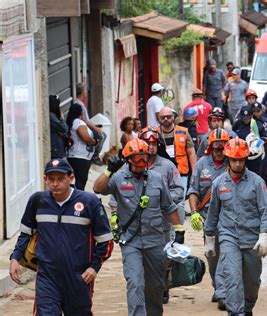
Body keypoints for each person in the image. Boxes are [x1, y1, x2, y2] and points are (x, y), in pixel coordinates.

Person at [10, 158, 113, 314]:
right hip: (47, 276)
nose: (55, 184)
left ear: (70, 178)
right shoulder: (38, 201)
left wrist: (94, 267)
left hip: (79, 278)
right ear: (45, 179)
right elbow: (25, 233)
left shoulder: (89, 202)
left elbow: (106, 241)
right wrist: (15, 258)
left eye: (60, 179)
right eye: (51, 179)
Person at [93, 138, 184, 315]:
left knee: (155, 286)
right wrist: (109, 171)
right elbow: (97, 188)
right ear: (128, 159)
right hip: (131, 241)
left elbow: (169, 206)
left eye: (144, 158)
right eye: (137, 159)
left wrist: (179, 230)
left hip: (155, 241)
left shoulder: (156, 179)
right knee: (135, 282)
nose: (141, 163)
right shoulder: (118, 178)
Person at [204, 137, 267, 316]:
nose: (237, 164)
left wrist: (264, 236)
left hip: (251, 239)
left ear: (245, 159)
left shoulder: (257, 183)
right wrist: (210, 240)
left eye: (240, 160)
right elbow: (213, 214)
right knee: (232, 279)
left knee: (252, 283)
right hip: (228, 237)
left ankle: (247, 307)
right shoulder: (219, 183)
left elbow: (265, 211)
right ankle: (236, 313)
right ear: (228, 159)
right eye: (234, 160)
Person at [138, 126, 184, 304]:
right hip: (138, 224)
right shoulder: (131, 167)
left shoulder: (167, 166)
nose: (150, 147)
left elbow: (179, 190)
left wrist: (161, 200)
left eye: (154, 143)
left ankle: (162, 285)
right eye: (147, 143)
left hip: (162, 222)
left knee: (163, 257)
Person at [188, 128, 230, 310]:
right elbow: (193, 190)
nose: (219, 150)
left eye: (222, 146)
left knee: (229, 254)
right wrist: (194, 212)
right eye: (215, 146)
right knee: (212, 255)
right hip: (208, 219)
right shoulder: (202, 164)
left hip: (230, 218)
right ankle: (218, 286)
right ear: (209, 147)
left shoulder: (234, 162)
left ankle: (224, 292)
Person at [159, 107, 198, 222]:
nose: (166, 119)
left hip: (181, 173)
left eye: (169, 116)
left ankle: (179, 230)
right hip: (161, 174)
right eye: (163, 117)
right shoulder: (155, 133)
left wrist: (194, 174)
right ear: (159, 118)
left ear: (174, 117)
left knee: (180, 203)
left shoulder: (184, 132)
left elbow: (191, 153)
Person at [246, 90, 267, 184]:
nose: (256, 113)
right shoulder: (246, 122)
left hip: (263, 151)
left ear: (261, 111)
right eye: (254, 111)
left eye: (258, 111)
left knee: (263, 173)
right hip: (248, 152)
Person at [66, 102, 98, 190]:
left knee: (76, 181)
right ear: (80, 113)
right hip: (80, 157)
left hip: (73, 155)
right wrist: (94, 142)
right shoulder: (78, 122)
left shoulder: (70, 122)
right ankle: (77, 201)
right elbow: (85, 137)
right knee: (80, 182)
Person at [75, 83, 106, 166]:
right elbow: (85, 120)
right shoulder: (79, 104)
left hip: (86, 125)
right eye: (84, 89)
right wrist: (95, 128)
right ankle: (95, 157)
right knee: (102, 136)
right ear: (81, 92)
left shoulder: (80, 103)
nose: (85, 91)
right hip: (84, 126)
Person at [233, 105, 267, 177]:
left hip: (254, 156)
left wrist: (256, 146)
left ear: (252, 115)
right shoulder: (237, 124)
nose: (246, 120)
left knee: (255, 176)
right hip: (241, 155)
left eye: (248, 118)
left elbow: (265, 138)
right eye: (244, 118)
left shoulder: (258, 124)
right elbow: (232, 136)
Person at [49, 94, 68, 159]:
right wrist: (62, 118)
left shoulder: (54, 115)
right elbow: (64, 128)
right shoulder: (52, 116)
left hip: (58, 147)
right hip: (56, 148)